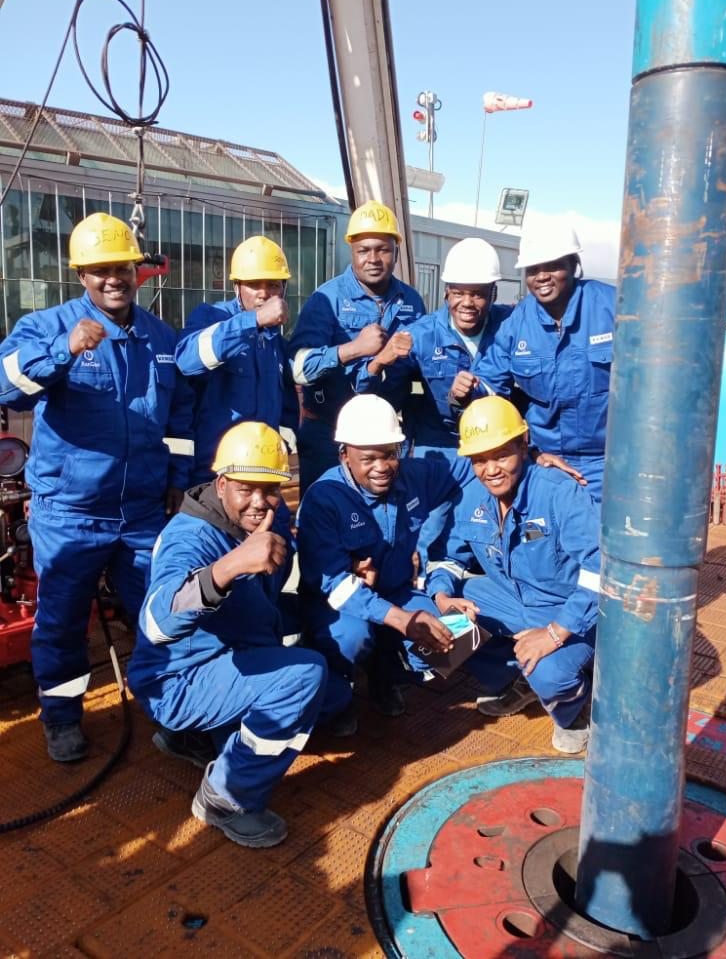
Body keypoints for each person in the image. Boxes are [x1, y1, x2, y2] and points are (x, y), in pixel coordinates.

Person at [0, 212, 194, 762]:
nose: (114, 279)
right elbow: (4, 386)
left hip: (141, 514)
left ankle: (172, 710)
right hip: (70, 513)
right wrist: (64, 350)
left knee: (162, 614)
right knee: (61, 624)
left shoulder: (160, 338)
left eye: (123, 268)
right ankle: (62, 718)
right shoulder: (47, 325)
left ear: (138, 271)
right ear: (80, 276)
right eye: (100, 270)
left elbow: (178, 418)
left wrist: (177, 482)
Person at [127, 423, 340, 848]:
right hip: (177, 682)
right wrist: (229, 567)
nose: (260, 503)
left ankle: (190, 737)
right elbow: (155, 622)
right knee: (305, 679)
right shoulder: (191, 538)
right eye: (247, 489)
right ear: (221, 484)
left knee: (334, 698)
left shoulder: (253, 521)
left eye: (271, 489)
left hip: (219, 656)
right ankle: (225, 797)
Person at [426, 396, 600, 753]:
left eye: (501, 455)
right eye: (479, 459)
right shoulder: (473, 498)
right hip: (513, 598)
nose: (491, 470)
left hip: (573, 611)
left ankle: (575, 705)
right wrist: (443, 597)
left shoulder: (557, 491)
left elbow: (602, 569)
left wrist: (554, 634)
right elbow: (447, 558)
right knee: (435, 631)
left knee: (550, 674)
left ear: (524, 445)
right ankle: (516, 677)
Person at [296, 395, 475, 735]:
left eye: (390, 454)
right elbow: (333, 586)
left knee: (459, 638)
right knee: (352, 638)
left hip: (397, 592)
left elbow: (472, 469)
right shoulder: (324, 499)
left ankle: (387, 671)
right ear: (344, 454)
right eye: (368, 458)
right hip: (338, 608)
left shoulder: (414, 475)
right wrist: (405, 621)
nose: (382, 467)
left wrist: (436, 550)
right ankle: (334, 680)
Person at [359, 238, 512, 577]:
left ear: (493, 294)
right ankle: (430, 592)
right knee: (430, 533)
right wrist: (377, 363)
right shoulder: (422, 335)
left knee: (487, 528)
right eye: (459, 292)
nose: (467, 303)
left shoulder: (510, 327)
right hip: (437, 446)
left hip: (490, 446)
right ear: (446, 293)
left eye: (478, 293)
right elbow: (376, 398)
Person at [472, 220, 616, 501]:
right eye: (533, 269)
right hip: (544, 462)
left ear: (574, 265)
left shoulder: (614, 308)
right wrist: (532, 453)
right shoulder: (516, 325)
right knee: (542, 541)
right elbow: (491, 390)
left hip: (609, 463)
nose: (542, 276)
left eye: (552, 266)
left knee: (605, 543)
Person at [289, 200, 425, 496]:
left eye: (383, 249)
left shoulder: (412, 302)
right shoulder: (327, 299)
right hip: (329, 433)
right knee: (324, 519)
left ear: (396, 252)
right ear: (352, 251)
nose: (373, 258)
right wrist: (354, 348)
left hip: (385, 440)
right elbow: (298, 369)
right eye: (364, 250)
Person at [174, 235, 299, 484]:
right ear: (237, 286)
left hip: (263, 472)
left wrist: (281, 448)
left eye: (273, 284)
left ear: (284, 289)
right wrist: (254, 321)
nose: (264, 293)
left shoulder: (276, 342)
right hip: (214, 475)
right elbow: (186, 359)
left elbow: (286, 411)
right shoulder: (211, 316)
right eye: (254, 284)